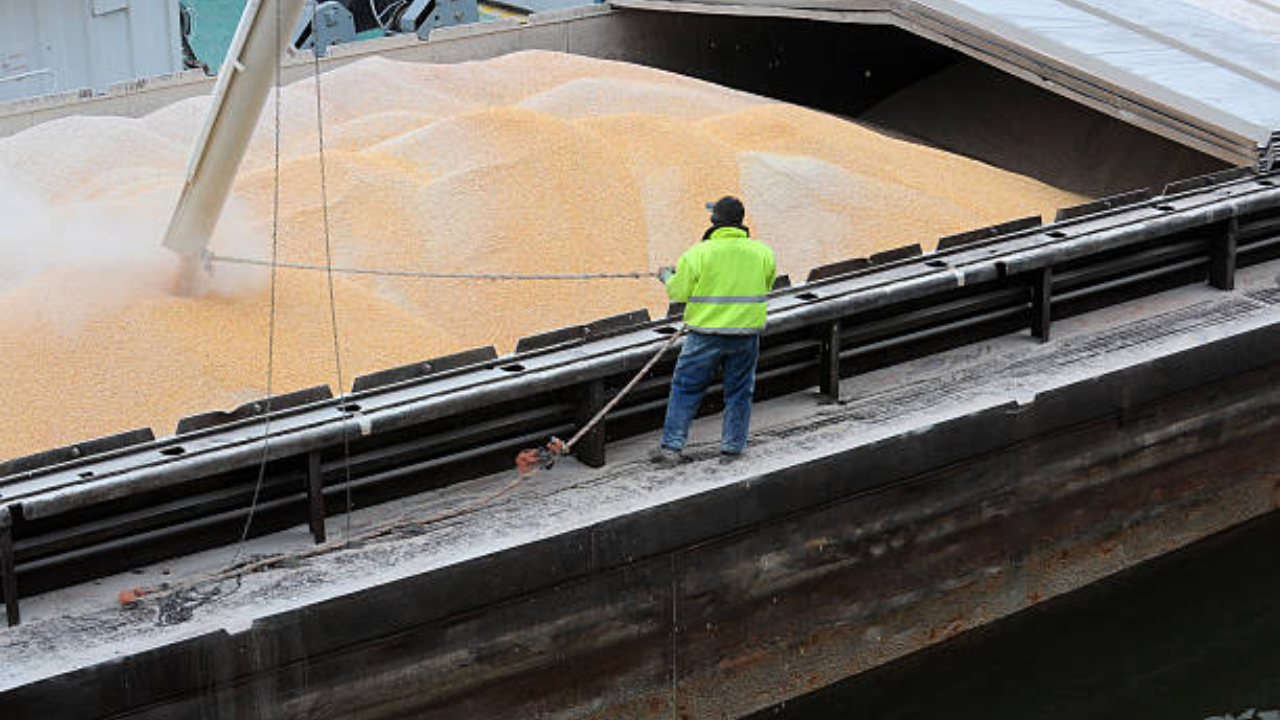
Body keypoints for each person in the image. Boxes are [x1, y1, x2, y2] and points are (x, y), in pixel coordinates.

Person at [651, 196, 776, 467]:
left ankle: (672, 448)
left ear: (713, 222)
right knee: (739, 392)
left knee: (685, 388)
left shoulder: (697, 254)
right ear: (740, 221)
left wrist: (667, 276)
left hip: (705, 336)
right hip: (746, 335)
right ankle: (732, 449)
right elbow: (766, 285)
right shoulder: (763, 252)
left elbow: (678, 293)